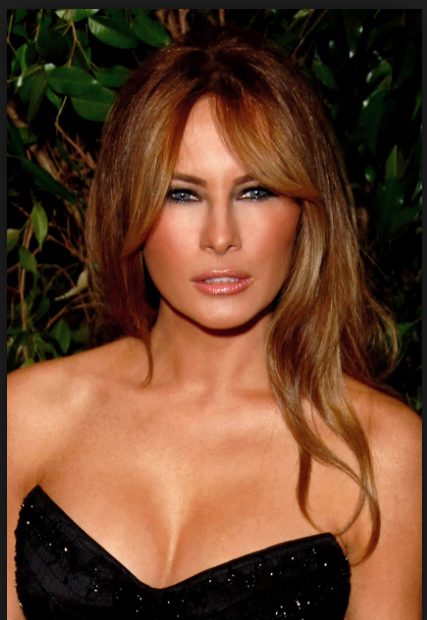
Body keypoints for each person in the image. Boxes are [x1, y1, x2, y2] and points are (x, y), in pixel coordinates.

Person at [7, 28, 421, 620]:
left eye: (255, 191)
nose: (221, 236)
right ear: (130, 206)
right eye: (182, 194)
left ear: (306, 211)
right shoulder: (25, 418)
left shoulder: (380, 454)